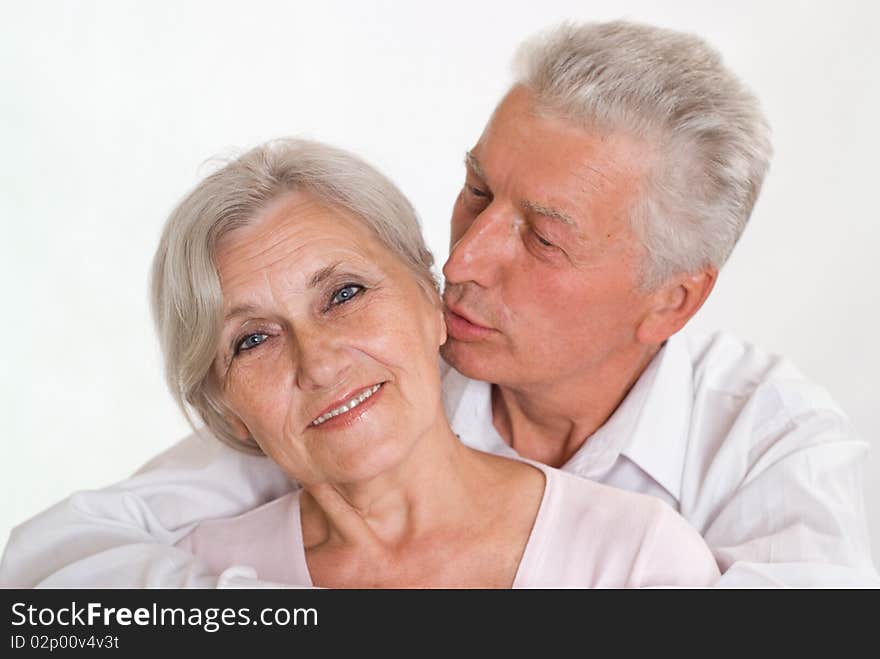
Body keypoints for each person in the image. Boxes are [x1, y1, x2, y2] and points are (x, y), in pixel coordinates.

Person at [1, 20, 875, 588]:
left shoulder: (769, 448)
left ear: (669, 300)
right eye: (475, 189)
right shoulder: (365, 381)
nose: (461, 257)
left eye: (542, 237)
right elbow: (53, 570)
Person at [150, 138, 724, 587]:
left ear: (431, 301)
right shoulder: (189, 583)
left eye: (344, 294)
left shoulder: (639, 557)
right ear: (227, 408)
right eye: (253, 340)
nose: (319, 364)